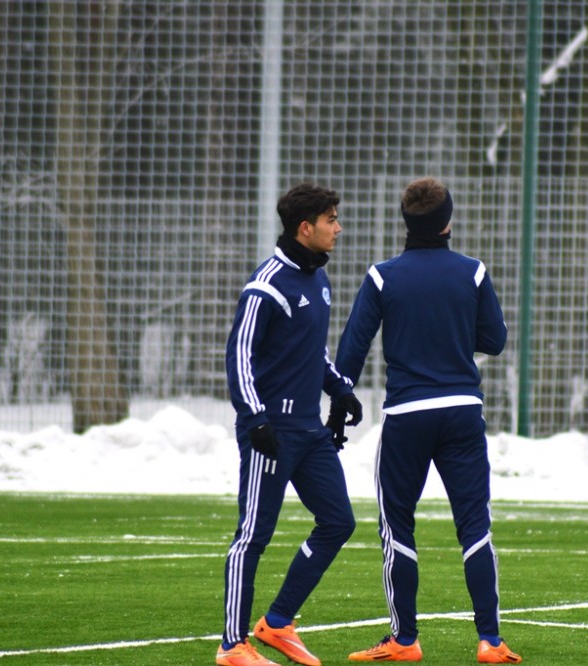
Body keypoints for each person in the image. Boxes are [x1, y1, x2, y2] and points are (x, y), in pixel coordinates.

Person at [331, 177, 522, 663]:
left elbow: (352, 348)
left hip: (407, 416)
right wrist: (451, 333)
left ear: (406, 223)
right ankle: (490, 640)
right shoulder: (473, 272)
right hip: (462, 412)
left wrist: (339, 403)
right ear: (447, 221)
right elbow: (495, 340)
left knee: (397, 525)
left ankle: (405, 639)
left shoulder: (382, 277)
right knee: (474, 523)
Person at [217, 182, 364, 666]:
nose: (338, 228)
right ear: (306, 228)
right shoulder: (266, 285)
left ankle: (278, 622)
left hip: (310, 431)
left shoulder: (318, 279)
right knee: (253, 535)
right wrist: (254, 419)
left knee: (339, 522)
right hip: (272, 434)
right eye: (331, 220)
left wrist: (339, 389)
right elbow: (238, 355)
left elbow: (311, 351)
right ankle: (232, 645)